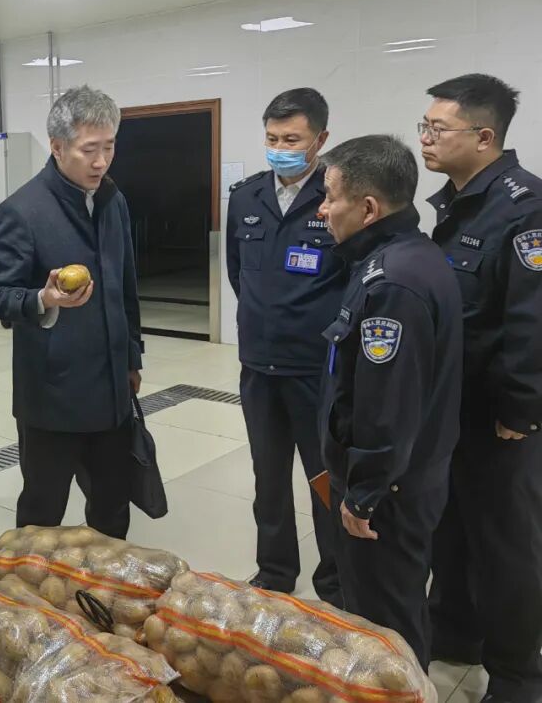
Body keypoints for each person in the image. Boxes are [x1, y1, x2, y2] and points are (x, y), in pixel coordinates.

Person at [317, 134, 462, 667]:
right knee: (391, 607)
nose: (322, 209)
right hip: (404, 480)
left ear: (368, 208)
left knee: (386, 627)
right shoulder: (406, 256)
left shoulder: (393, 284)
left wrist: (364, 494)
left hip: (389, 495)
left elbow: (387, 409)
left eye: (330, 196)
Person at [421, 74, 542, 703]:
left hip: (499, 416)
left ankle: (518, 674)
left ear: (485, 136)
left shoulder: (525, 208)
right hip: (455, 408)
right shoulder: (457, 202)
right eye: (424, 126)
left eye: (438, 129)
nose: (425, 138)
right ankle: (456, 632)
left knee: (504, 545)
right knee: (452, 528)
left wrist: (519, 409)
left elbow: (532, 320)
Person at [0, 85, 142, 540]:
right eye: (89, 150)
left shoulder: (113, 201)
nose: (101, 162)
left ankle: (104, 577)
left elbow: (126, 288)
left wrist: (132, 358)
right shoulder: (22, 210)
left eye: (109, 147)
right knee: (42, 512)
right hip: (51, 397)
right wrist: (44, 299)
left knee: (112, 507)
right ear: (56, 147)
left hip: (111, 391)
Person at [225, 88, 344, 605]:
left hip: (316, 367)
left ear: (320, 138)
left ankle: (335, 580)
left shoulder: (339, 194)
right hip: (259, 364)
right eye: (272, 139)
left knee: (325, 477)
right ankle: (274, 570)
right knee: (268, 476)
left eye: (292, 140)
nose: (280, 149)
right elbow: (238, 272)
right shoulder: (246, 196)